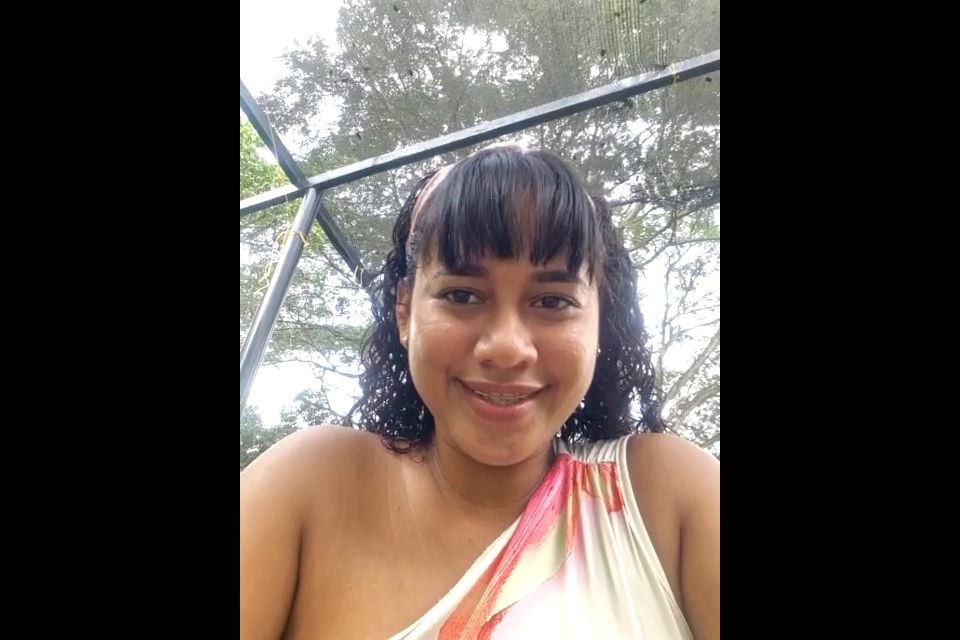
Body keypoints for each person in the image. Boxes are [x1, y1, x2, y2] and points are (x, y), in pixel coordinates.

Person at [240, 143, 720, 639]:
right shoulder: (312, 485)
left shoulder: (666, 498)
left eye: (552, 301)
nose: (507, 348)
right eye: (462, 294)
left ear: (601, 318)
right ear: (405, 312)